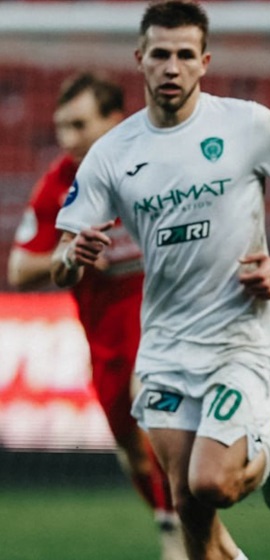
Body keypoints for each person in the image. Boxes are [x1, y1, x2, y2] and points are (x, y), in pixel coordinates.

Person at [50, 1, 270, 559]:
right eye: (160, 54)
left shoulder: (247, 125)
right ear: (140, 59)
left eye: (185, 55)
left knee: (210, 483)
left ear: (204, 62)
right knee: (187, 501)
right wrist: (73, 255)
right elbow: (62, 260)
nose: (172, 67)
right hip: (164, 348)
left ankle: (267, 444)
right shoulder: (111, 154)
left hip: (239, 339)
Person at [8, 72, 185, 560]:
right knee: (131, 449)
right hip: (105, 334)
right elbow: (19, 269)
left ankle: (186, 529)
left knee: (152, 405)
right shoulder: (58, 186)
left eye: (79, 125)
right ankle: (173, 525)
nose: (68, 139)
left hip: (163, 317)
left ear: (114, 120)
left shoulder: (159, 166)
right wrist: (66, 255)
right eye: (61, 127)